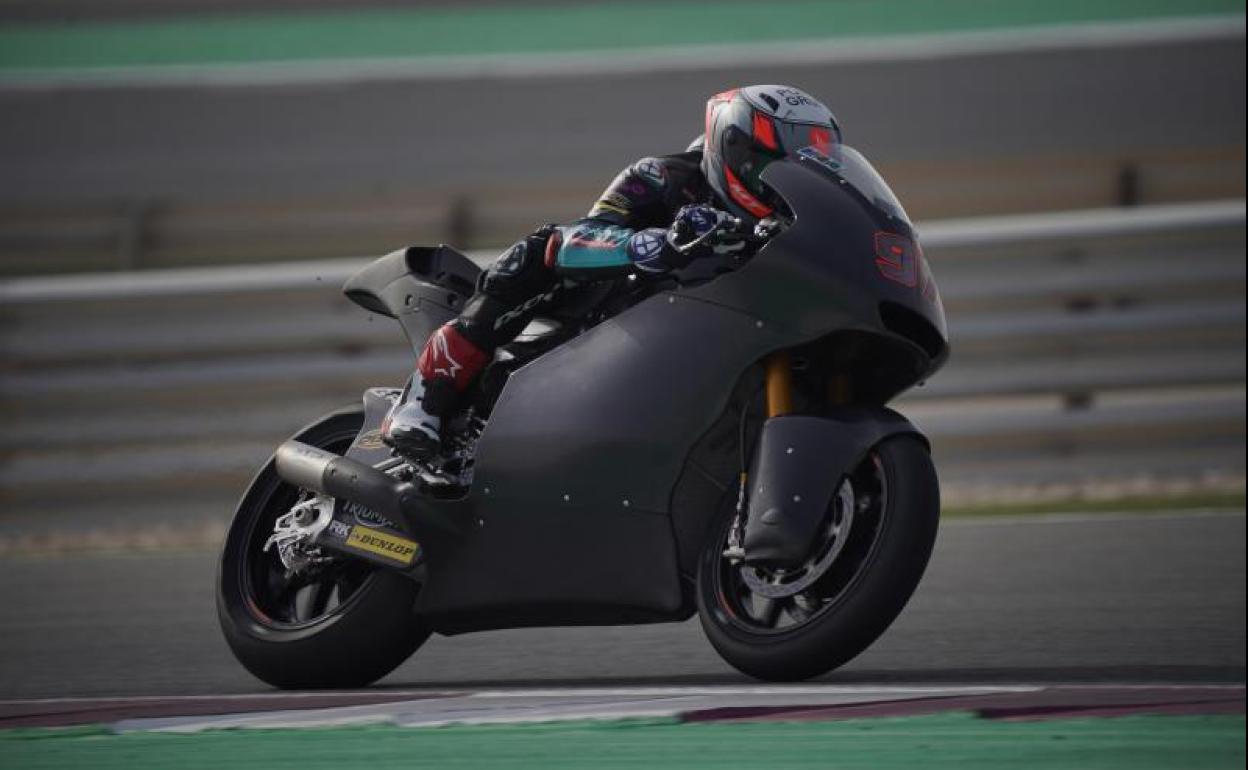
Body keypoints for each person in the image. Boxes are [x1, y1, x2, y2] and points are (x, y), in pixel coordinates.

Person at [382, 84, 842, 460]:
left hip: (700, 352)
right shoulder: (663, 176)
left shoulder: (787, 227)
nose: (780, 181)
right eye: (772, 165)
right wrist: (658, 242)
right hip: (608, 316)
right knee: (542, 249)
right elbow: (581, 238)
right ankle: (426, 398)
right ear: (735, 148)